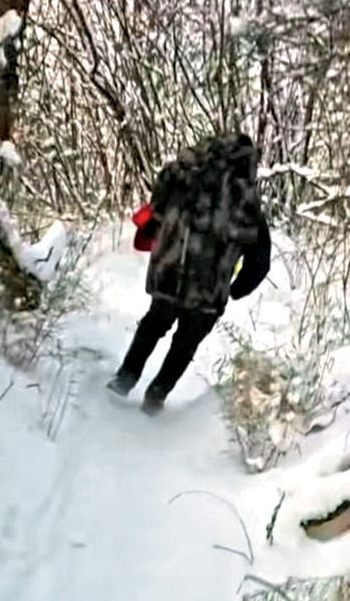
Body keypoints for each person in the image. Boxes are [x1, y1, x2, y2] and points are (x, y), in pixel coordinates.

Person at [107, 133, 271, 415]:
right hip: (209, 287)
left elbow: (155, 207)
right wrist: (238, 288)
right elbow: (260, 258)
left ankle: (123, 381)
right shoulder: (245, 197)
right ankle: (154, 400)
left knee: (153, 325)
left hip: (169, 272)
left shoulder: (182, 173)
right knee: (185, 344)